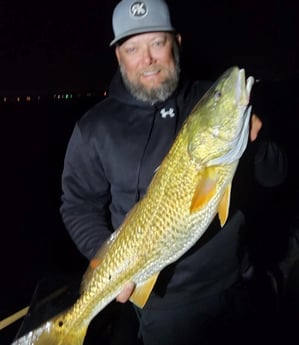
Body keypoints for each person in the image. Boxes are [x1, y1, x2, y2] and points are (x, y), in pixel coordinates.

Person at [60, 0, 287, 344]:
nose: (147, 59)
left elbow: (276, 176)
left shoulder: (205, 99)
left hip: (241, 281)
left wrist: (255, 146)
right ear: (119, 56)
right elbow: (77, 205)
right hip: (167, 309)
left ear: (176, 44)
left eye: (157, 42)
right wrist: (105, 257)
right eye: (133, 47)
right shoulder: (94, 128)